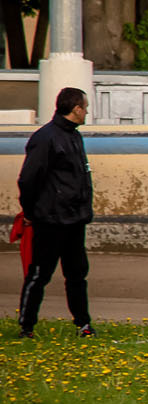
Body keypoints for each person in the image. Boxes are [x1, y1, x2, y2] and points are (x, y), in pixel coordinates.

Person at [17, 86, 95, 339]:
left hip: (74, 218)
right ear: (76, 109)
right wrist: (30, 210)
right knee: (40, 274)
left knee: (77, 274)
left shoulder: (74, 136)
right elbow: (28, 179)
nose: (86, 112)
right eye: (85, 107)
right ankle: (26, 325)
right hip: (50, 219)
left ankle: (83, 323)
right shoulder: (46, 137)